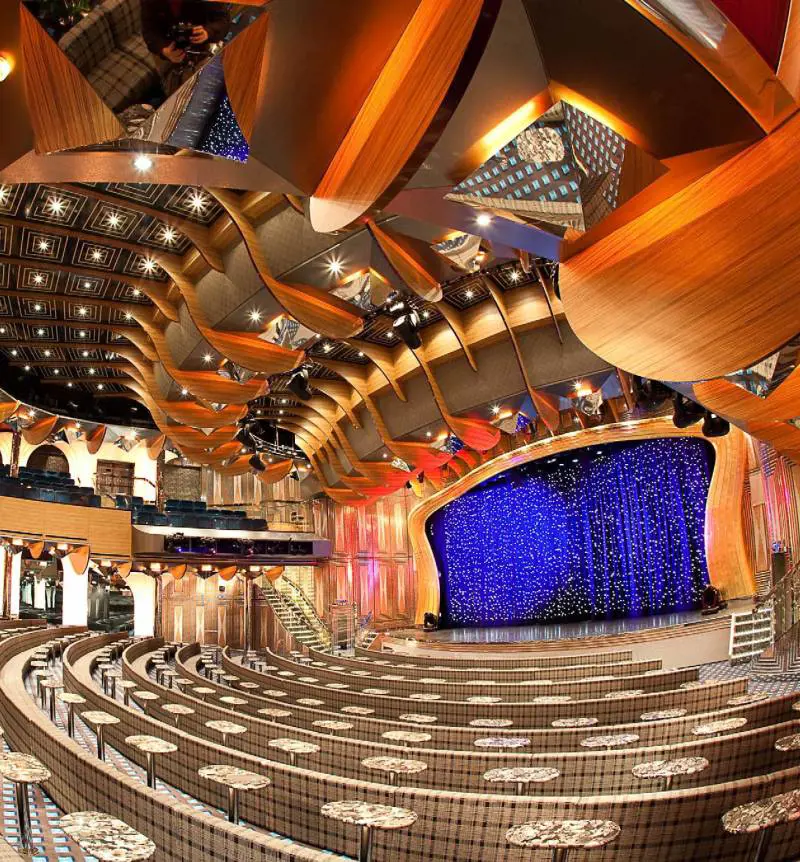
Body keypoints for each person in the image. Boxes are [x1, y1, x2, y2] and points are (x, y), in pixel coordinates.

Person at [141, 0, 230, 96]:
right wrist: (163, 50)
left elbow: (223, 19)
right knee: (173, 91)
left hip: (202, 47)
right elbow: (149, 30)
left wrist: (208, 32)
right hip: (166, 46)